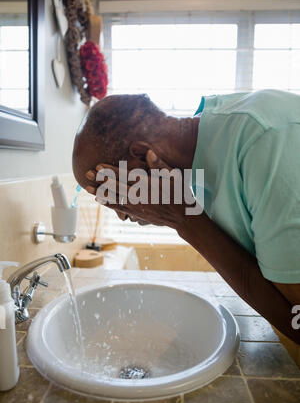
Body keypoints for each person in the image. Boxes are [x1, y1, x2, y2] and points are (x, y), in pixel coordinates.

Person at [73, 90, 300, 344]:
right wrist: (184, 216)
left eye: (115, 193)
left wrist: (185, 219)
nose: (121, 214)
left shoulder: (264, 141)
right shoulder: (204, 161)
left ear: (140, 155)